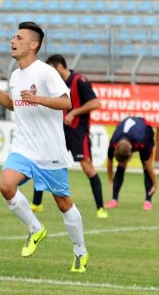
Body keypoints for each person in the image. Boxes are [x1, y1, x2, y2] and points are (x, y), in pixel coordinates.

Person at [0, 21, 89, 273]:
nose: (12, 41)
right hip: (23, 148)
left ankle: (80, 251)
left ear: (33, 44)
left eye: (18, 37)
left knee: (63, 203)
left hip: (50, 152)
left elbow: (67, 103)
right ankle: (35, 228)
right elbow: (13, 104)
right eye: (13, 37)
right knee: (6, 185)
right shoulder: (16, 75)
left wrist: (37, 98)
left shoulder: (45, 72)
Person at [31, 54, 107, 219]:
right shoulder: (56, 84)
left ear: (59, 67)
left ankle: (100, 208)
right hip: (60, 130)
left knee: (87, 168)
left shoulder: (80, 81)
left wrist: (74, 113)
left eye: (52, 70)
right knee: (44, 161)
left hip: (78, 131)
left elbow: (95, 103)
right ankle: (36, 204)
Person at [105, 117, 158, 211]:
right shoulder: (113, 142)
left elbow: (148, 165)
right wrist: (110, 181)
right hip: (128, 136)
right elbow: (109, 162)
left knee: (146, 166)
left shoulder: (141, 141)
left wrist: (155, 183)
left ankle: (148, 201)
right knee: (121, 166)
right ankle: (114, 200)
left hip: (147, 130)